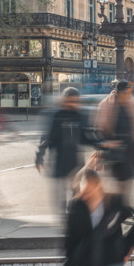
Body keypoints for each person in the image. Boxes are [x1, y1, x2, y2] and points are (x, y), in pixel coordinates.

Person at [36, 88, 95, 218]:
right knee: (61, 193)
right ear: (64, 100)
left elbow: (87, 136)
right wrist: (39, 157)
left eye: (75, 101)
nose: (73, 104)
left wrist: (101, 145)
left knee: (76, 190)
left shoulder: (80, 116)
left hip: (75, 159)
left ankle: (74, 216)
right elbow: (46, 137)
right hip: (59, 159)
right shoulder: (57, 115)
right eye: (70, 101)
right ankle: (64, 218)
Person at [94, 80, 134, 197]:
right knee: (112, 185)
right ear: (118, 93)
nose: (127, 95)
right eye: (125, 93)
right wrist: (106, 143)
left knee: (126, 184)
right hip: (113, 152)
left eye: (129, 92)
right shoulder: (106, 105)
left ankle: (123, 208)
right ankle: (116, 207)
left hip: (129, 152)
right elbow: (97, 129)